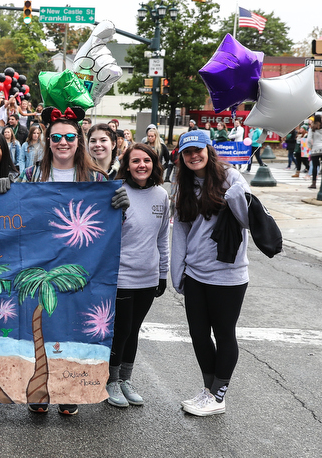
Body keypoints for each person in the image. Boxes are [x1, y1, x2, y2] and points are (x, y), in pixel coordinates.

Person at [20, 106, 130, 416]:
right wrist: (3, 190)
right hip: (40, 263)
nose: (63, 142)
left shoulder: (96, 177)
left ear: (78, 140)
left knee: (73, 327)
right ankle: (40, 389)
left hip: (82, 267)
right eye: (57, 137)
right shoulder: (30, 174)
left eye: (70, 136)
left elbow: (114, 225)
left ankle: (70, 389)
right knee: (40, 325)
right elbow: (13, 214)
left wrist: (122, 207)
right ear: (48, 139)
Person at [171, 129, 251, 417]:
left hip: (228, 275)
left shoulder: (232, 178)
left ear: (209, 150)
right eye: (188, 152)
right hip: (196, 274)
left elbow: (247, 222)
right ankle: (208, 391)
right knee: (198, 334)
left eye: (198, 150)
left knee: (224, 333)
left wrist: (237, 197)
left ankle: (219, 395)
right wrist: (177, 272)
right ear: (181, 157)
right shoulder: (182, 186)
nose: (194, 156)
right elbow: (180, 232)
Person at [105, 142, 169, 409]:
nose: (141, 165)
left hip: (148, 276)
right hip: (121, 276)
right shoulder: (118, 191)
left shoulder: (162, 195)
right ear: (127, 166)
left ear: (154, 164)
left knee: (134, 331)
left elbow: (163, 237)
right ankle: (110, 380)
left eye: (146, 160)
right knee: (121, 330)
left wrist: (163, 273)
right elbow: (106, 235)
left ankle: (125, 380)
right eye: (135, 161)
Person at [306, 116, 322, 189]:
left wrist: (310, 147)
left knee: (315, 166)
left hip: (315, 148)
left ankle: (314, 183)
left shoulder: (312, 128)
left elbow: (309, 139)